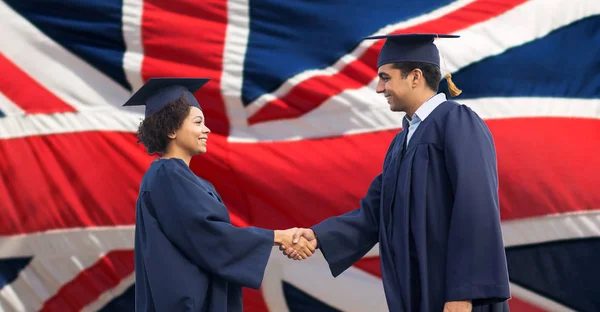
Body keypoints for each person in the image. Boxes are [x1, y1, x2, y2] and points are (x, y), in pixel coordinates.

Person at [287, 34, 511, 311]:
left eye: (386, 77)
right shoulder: (402, 141)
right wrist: (319, 236)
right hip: (415, 290)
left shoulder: (457, 122)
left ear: (415, 76)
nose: (380, 88)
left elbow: (476, 207)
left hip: (452, 293)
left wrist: (464, 293)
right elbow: (374, 212)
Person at [124, 78, 315, 312]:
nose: (207, 129)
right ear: (172, 129)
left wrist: (278, 238)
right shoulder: (167, 175)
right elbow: (208, 235)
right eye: (198, 122)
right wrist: (277, 237)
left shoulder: (188, 180)